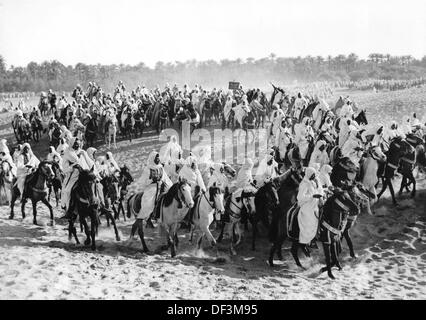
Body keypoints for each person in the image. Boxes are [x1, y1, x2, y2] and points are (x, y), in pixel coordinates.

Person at [297, 167, 323, 254]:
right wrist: (312, 196)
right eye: (313, 174)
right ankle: (305, 240)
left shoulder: (312, 182)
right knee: (310, 220)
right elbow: (300, 197)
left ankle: (313, 239)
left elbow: (318, 190)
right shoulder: (304, 184)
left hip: (315, 204)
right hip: (307, 205)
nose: (314, 176)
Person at [60, 137, 85, 218]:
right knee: (67, 191)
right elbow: (65, 169)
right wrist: (74, 167)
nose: (78, 145)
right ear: (71, 144)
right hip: (72, 176)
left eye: (78, 144)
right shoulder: (67, 153)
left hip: (82, 174)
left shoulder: (78, 152)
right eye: (76, 144)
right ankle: (68, 210)